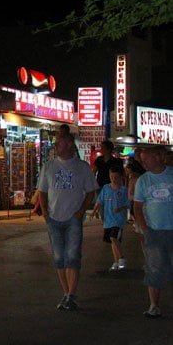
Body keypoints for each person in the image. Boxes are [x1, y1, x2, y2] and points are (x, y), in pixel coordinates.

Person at [38, 133, 98, 311]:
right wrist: (45, 213)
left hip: (73, 218)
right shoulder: (48, 167)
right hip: (54, 218)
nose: (55, 147)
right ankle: (66, 294)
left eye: (59, 144)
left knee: (72, 256)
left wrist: (80, 212)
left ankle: (71, 294)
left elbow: (90, 191)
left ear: (70, 145)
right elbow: (42, 190)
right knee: (59, 258)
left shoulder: (82, 167)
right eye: (56, 144)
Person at [134, 145, 173, 318]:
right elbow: (137, 207)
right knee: (154, 268)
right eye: (141, 160)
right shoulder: (143, 180)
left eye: (145, 159)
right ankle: (154, 305)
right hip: (154, 231)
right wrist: (145, 229)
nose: (143, 162)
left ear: (158, 158)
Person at [91, 166, 129, 271]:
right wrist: (94, 211)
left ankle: (121, 258)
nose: (113, 179)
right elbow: (100, 201)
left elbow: (128, 203)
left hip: (119, 220)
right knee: (112, 241)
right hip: (108, 219)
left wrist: (121, 208)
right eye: (111, 176)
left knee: (113, 237)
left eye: (116, 177)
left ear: (120, 177)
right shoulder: (106, 188)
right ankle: (116, 262)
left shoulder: (123, 190)